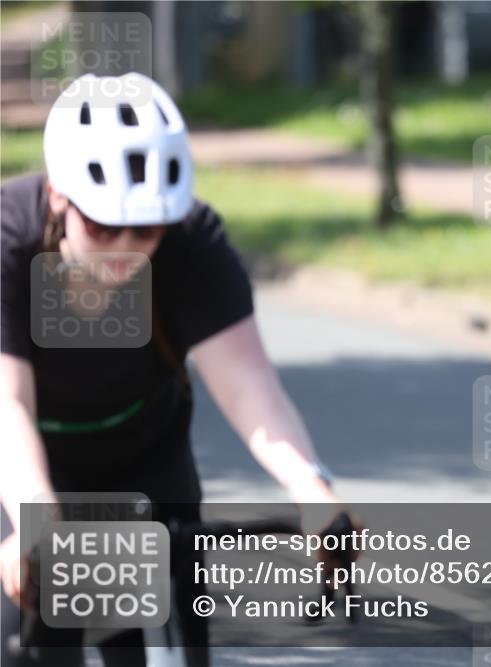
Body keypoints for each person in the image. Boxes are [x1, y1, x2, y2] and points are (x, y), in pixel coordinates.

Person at [1, 73, 352, 666]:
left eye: (148, 228)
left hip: (143, 457)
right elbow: (9, 404)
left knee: (168, 648)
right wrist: (36, 516)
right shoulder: (9, 242)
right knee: (32, 636)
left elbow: (246, 383)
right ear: (60, 193)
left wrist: (309, 487)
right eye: (105, 226)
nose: (127, 249)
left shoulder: (192, 243)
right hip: (25, 467)